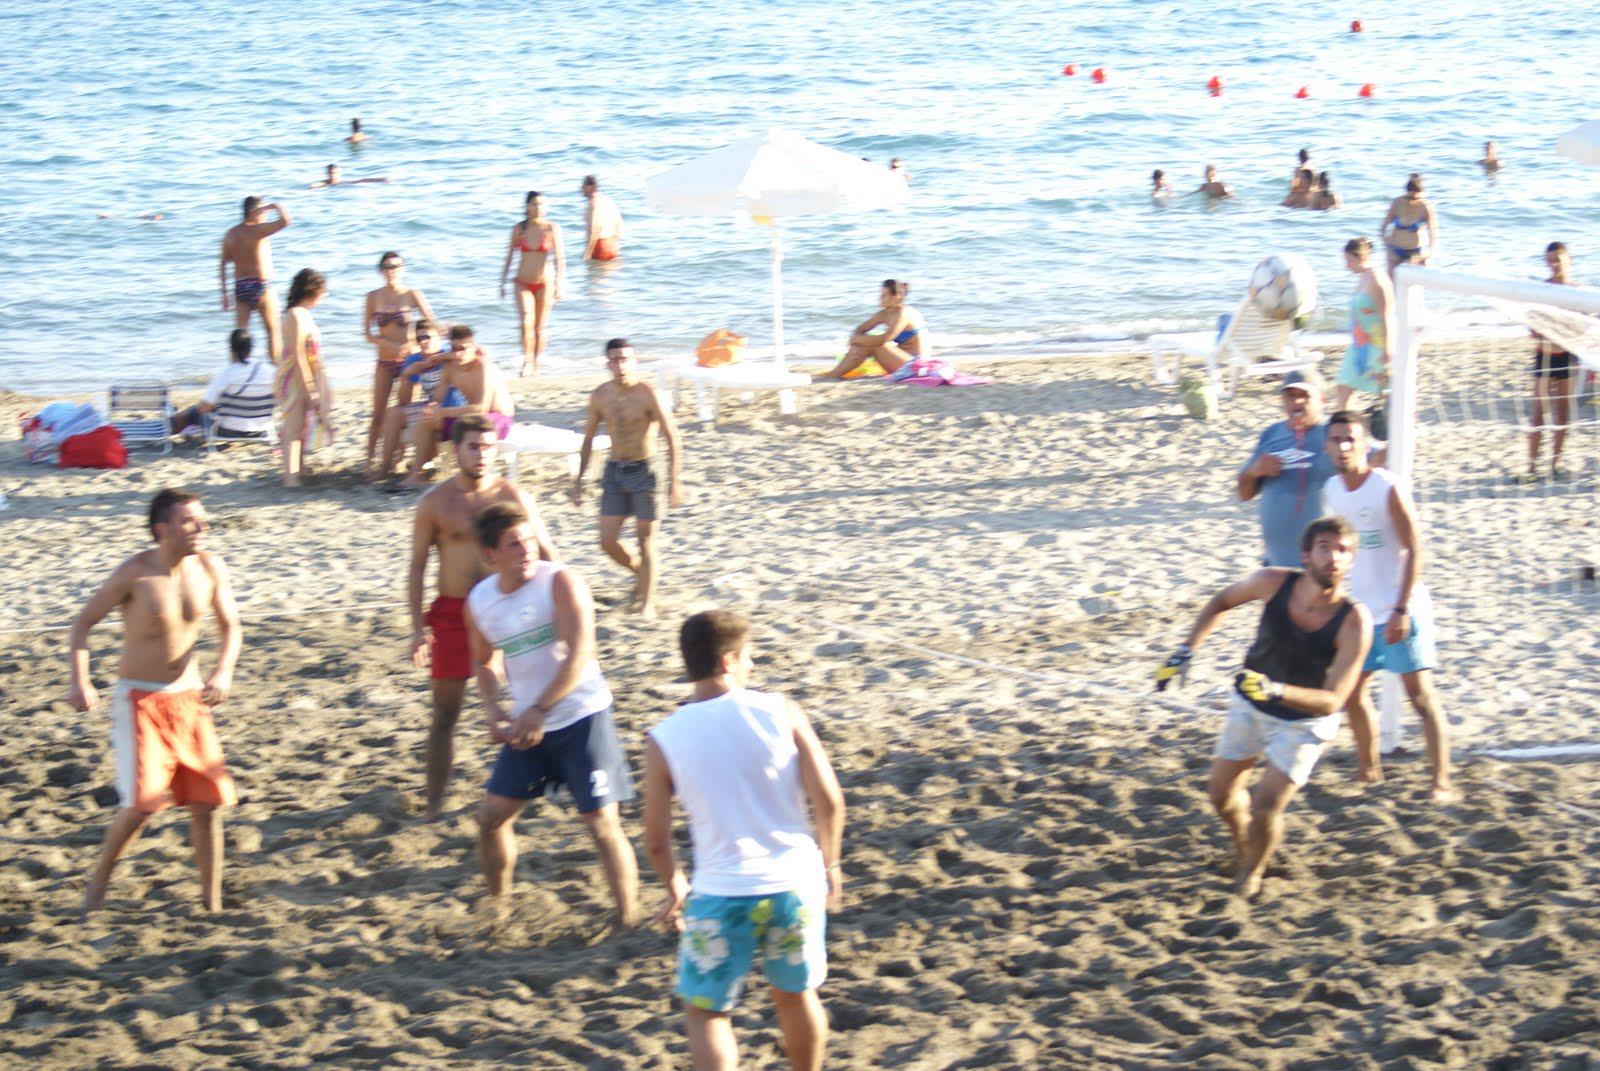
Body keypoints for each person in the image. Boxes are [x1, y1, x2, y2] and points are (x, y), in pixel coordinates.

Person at [644, 610, 846, 1071]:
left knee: (708, 1013)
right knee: (796, 997)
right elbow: (830, 800)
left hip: (721, 892)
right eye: (749, 656)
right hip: (794, 884)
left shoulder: (664, 738)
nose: (753, 666)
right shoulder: (782, 711)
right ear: (728, 660)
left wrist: (674, 884)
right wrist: (830, 864)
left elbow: (656, 840)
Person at [1155, 517, 1371, 900]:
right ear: (1306, 555)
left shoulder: (1354, 621)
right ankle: (1244, 848)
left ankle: (1252, 874)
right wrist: (1186, 650)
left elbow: (1334, 700)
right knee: (1220, 795)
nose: (1333, 558)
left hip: (1304, 722)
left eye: (1343, 551)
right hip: (1251, 703)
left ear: (1352, 561)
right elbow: (1221, 601)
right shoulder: (1274, 582)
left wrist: (1277, 690)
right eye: (1325, 547)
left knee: (1267, 803)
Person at [67, 489, 242, 915]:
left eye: (203, 519)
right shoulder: (135, 574)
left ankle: (211, 903)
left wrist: (223, 671)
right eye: (190, 521)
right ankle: (97, 887)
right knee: (143, 804)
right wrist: (80, 681)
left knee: (207, 804)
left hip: (189, 697)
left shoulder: (209, 566)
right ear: (161, 529)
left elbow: (231, 626)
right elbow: (82, 625)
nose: (202, 527)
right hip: (140, 700)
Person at [467, 503, 637, 924]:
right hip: (529, 727)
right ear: (491, 555)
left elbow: (580, 654)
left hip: (581, 717)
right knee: (490, 820)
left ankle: (628, 919)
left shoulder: (560, 581)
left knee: (600, 823)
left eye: (529, 539)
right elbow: (485, 663)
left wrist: (541, 709)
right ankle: (499, 909)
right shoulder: (480, 601)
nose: (527, 549)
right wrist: (493, 710)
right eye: (514, 544)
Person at [408, 416, 557, 819]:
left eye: (489, 446)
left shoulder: (512, 496)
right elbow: (418, 566)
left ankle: (544, 785)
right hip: (454, 613)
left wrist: (560, 609)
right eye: (474, 446)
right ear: (456, 450)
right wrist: (416, 628)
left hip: (509, 606)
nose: (482, 454)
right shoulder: (435, 503)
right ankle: (435, 804)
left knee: (536, 700)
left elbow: (547, 555)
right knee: (445, 712)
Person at [1322, 409, 1454, 800]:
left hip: (1400, 607)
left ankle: (1441, 781)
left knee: (1420, 697)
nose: (1344, 446)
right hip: (1360, 612)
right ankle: (1368, 771)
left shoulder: (1387, 487)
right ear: (1327, 445)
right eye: (1336, 439)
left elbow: (1415, 548)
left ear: (1364, 443)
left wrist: (1401, 609)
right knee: (1351, 692)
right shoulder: (1332, 490)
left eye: (1350, 438)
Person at [572, 339, 684, 619]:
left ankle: (647, 603)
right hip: (614, 471)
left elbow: (673, 437)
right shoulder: (600, 396)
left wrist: (675, 481)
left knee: (646, 540)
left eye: (625, 359)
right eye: (615, 360)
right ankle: (639, 573)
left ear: (634, 361)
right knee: (607, 541)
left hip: (646, 470)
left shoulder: (647, 393)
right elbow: (587, 440)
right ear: (607, 363)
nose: (621, 365)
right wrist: (578, 481)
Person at [1237, 370, 1337, 568]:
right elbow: (1243, 493)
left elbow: (1373, 458)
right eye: (1290, 396)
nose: (1297, 402)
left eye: (1304, 396)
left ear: (1322, 400)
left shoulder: (1334, 435)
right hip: (1274, 564)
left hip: (1320, 567)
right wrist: (1254, 471)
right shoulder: (1271, 434)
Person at [407, 325, 516, 486]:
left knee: (467, 425)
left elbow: (482, 408)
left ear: (473, 347)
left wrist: (443, 412)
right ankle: (417, 474)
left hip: (499, 418)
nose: (458, 353)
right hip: (473, 417)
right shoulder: (450, 367)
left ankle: (427, 467)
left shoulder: (484, 367)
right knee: (428, 421)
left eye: (463, 349)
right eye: (454, 348)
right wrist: (432, 407)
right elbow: (438, 396)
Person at [362, 251, 437, 476]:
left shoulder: (412, 294)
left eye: (395, 266)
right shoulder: (373, 296)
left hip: (409, 362)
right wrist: (385, 342)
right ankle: (369, 459)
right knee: (378, 414)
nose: (391, 270)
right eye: (387, 266)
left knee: (405, 411)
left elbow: (430, 324)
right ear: (380, 270)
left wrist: (414, 342)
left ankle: (400, 459)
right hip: (384, 360)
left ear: (402, 268)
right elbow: (366, 334)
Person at [275, 268, 335, 488]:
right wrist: (310, 388)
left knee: (303, 425)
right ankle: (290, 478)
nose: (324, 295)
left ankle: (298, 469)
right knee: (293, 425)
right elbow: (299, 354)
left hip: (305, 373)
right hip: (295, 376)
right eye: (323, 291)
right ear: (313, 290)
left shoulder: (302, 313)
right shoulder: (295, 315)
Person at [499, 191, 566, 376]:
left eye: (542, 204)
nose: (539, 208)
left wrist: (560, 284)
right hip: (522, 282)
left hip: (546, 283)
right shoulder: (519, 229)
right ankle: (527, 361)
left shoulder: (552, 228)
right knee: (526, 322)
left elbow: (560, 258)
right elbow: (509, 256)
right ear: (527, 206)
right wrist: (502, 282)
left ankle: (536, 362)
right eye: (535, 204)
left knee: (539, 327)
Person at [219, 197, 290, 362]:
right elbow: (286, 221)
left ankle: (235, 370)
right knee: (272, 331)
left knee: (240, 334)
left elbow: (223, 264)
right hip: (261, 285)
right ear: (253, 212)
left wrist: (224, 292)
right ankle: (275, 369)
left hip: (240, 286)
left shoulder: (231, 234)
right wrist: (276, 206)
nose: (265, 215)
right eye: (262, 211)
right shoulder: (259, 230)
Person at [1528, 242, 1576, 480]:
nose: (1554, 264)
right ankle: (1531, 467)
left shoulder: (1578, 291)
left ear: (1570, 259)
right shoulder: (1543, 290)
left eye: (1558, 258)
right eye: (1549, 259)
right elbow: (1533, 328)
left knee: (1563, 413)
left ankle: (1555, 465)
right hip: (1544, 356)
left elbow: (1584, 328)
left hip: (1567, 357)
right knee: (1538, 414)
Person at [170, 329, 275, 440]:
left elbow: (203, 408)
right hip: (261, 430)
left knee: (192, 412)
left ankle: (163, 430)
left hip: (228, 431)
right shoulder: (270, 370)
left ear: (231, 349)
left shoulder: (227, 373)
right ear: (251, 348)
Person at [377, 319, 447, 480]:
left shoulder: (448, 356)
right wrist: (406, 376)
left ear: (439, 337)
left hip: (450, 407)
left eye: (428, 337)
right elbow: (403, 402)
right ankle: (385, 467)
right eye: (420, 338)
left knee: (427, 413)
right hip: (430, 405)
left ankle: (420, 466)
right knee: (394, 413)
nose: (424, 342)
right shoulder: (414, 360)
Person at [817, 279, 926, 379]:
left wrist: (856, 339)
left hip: (916, 366)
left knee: (874, 344)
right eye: (880, 295)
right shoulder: (885, 314)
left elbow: (884, 339)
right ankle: (835, 373)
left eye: (884, 295)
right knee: (861, 346)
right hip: (901, 361)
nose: (880, 298)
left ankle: (834, 374)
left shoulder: (904, 313)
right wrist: (856, 340)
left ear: (896, 297)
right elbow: (860, 329)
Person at [1333, 237, 1395, 410]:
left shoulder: (1377, 279)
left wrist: (1387, 349)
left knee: (1385, 391)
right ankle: (1346, 423)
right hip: (1360, 345)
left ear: (1361, 257)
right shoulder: (1363, 278)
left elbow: (1387, 315)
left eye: (1349, 261)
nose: (1347, 266)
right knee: (1343, 386)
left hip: (1376, 344)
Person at [1380, 173, 1438, 272]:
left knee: (1420, 279)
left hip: (1416, 251)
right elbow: (1383, 227)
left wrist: (1430, 252)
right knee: (1391, 282)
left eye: (1416, 198)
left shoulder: (1426, 206)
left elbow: (1433, 231)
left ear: (1422, 193)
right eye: (1409, 197)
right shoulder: (1397, 203)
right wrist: (1386, 247)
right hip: (1395, 249)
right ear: (1406, 192)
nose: (1412, 201)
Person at [581, 175, 624, 262]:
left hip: (599, 247)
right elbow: (619, 224)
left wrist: (587, 253)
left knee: (594, 274)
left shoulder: (593, 204)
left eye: (584, 186)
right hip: (613, 244)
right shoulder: (608, 201)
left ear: (591, 187)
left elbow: (594, 230)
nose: (581, 188)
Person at [309, 163, 388, 188]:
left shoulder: (342, 182)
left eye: (335, 173)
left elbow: (362, 180)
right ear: (328, 173)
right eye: (331, 173)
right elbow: (316, 184)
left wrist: (380, 179)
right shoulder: (326, 183)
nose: (333, 175)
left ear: (340, 173)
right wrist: (313, 186)